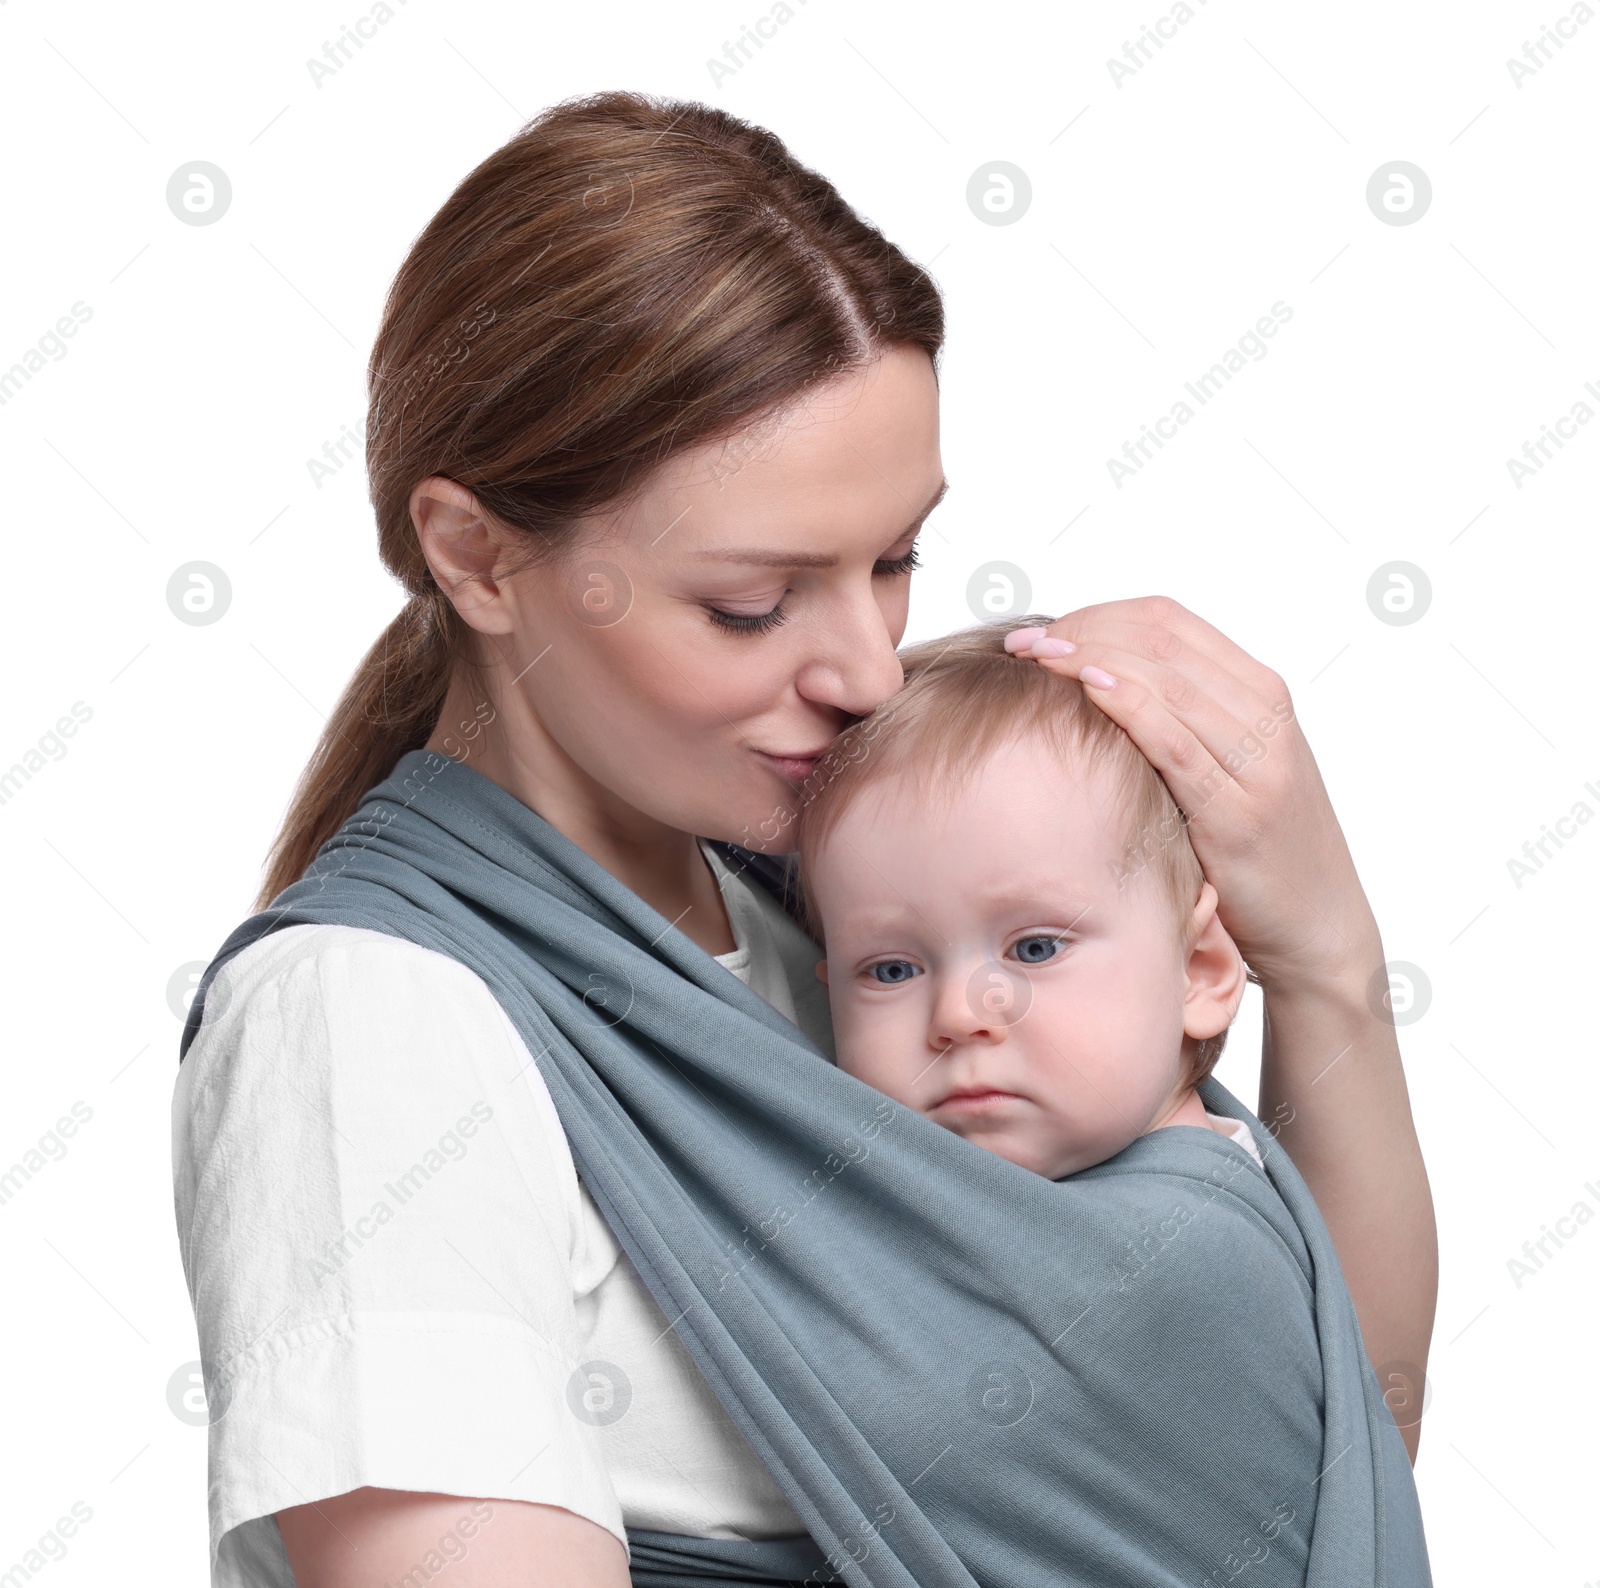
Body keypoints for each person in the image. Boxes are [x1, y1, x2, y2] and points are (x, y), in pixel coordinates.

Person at [171, 90, 1436, 1588]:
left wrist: (1331, 968)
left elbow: (1302, 1467)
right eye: (754, 603)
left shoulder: (848, 918)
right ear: (477, 556)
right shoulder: (372, 1030)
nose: (867, 673)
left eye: (895, 561)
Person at [796, 618, 1265, 1182]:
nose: (958, 1015)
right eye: (893, 971)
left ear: (1198, 971)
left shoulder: (1182, 1243)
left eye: (1035, 949)